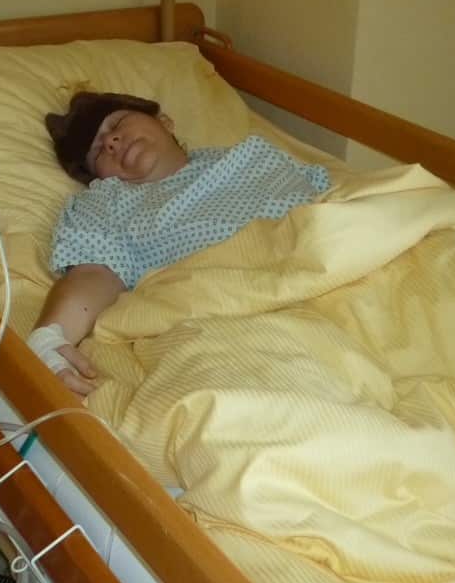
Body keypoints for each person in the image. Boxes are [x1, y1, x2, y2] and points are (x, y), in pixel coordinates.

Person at [27, 91, 331, 394]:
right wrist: (49, 338)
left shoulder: (251, 157)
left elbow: (330, 211)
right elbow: (93, 276)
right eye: (98, 153)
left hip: (328, 275)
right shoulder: (105, 203)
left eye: (118, 123)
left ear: (165, 121)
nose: (111, 142)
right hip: (234, 318)